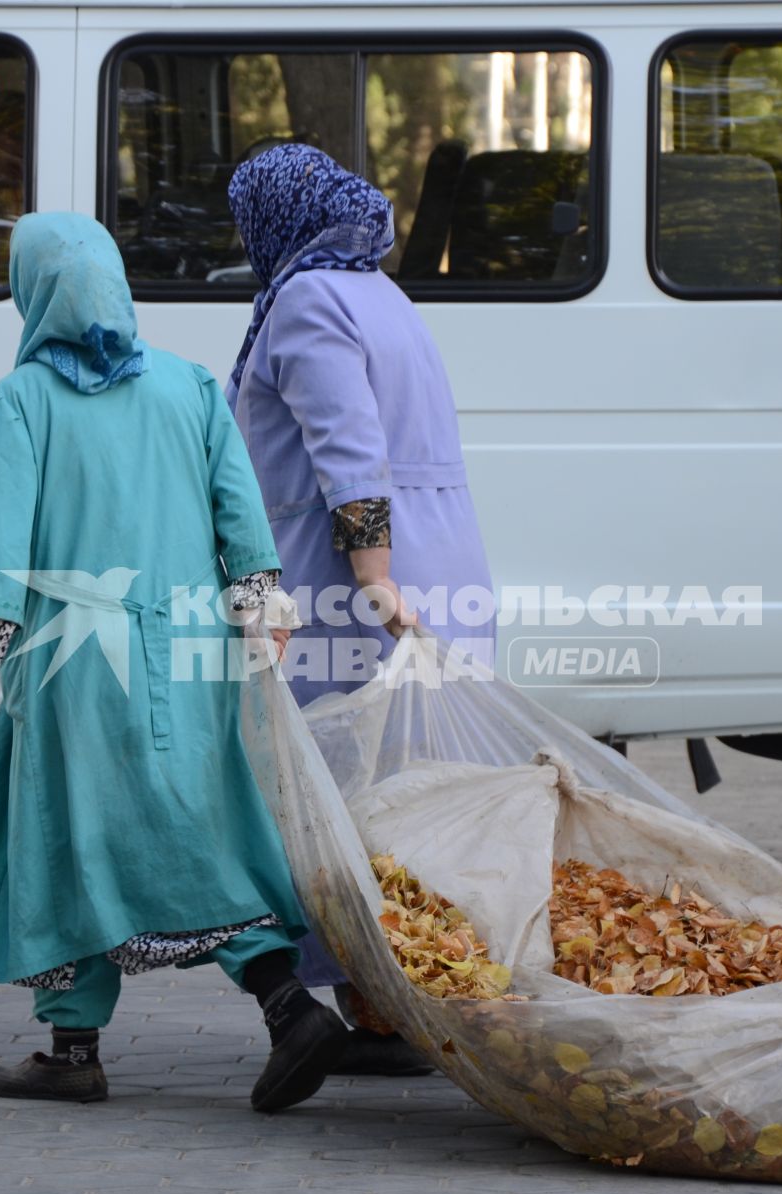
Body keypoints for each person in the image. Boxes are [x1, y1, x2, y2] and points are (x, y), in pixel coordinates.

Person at [0, 212, 350, 1112]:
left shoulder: (18, 402)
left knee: (65, 834)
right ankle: (285, 1003)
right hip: (191, 660)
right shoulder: (189, 387)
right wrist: (263, 610)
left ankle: (74, 1048)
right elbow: (243, 520)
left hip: (74, 671)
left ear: (32, 291)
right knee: (199, 824)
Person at [224, 144, 497, 1077]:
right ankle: (388, 1009)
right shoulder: (379, 289)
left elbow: (350, 452)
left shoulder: (305, 300)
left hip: (353, 591)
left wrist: (375, 578)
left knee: (335, 799)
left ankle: (387, 1004)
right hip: (436, 562)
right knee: (402, 797)